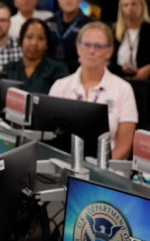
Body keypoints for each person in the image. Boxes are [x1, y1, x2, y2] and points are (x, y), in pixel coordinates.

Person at [49, 22, 137, 160]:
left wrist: (98, 171)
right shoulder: (60, 86)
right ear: (78, 48)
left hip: (108, 170)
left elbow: (124, 148)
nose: (91, 51)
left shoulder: (123, 89)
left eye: (98, 46)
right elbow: (50, 138)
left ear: (109, 51)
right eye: (86, 45)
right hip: (64, 165)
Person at [3, 18, 69, 93]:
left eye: (40, 39)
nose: (34, 43)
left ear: (46, 44)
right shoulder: (9, 69)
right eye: (29, 37)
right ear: (20, 41)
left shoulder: (58, 70)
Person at [45, 0, 92, 72]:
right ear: (59, 3)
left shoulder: (89, 25)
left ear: (79, 0)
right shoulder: (49, 22)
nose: (68, 0)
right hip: (50, 70)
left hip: (78, 70)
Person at [112, 0, 150, 79]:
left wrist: (148, 69)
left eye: (134, 4)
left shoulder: (148, 29)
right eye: (126, 5)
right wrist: (121, 68)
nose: (130, 8)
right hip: (119, 78)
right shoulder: (114, 31)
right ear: (121, 9)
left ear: (142, 6)